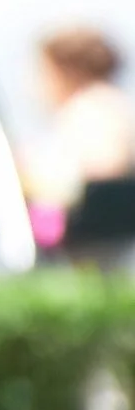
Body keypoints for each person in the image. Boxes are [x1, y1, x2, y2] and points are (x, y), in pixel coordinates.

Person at [27, 27, 135, 251]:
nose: (34, 88)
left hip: (96, 248)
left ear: (64, 71)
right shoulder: (110, 106)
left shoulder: (95, 110)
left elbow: (103, 179)